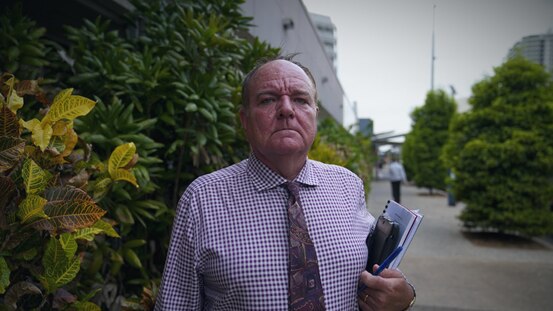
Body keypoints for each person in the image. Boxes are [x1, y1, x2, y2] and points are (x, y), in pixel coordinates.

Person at [155, 56, 415, 310]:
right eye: (268, 99)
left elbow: (379, 272)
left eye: (301, 100)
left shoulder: (348, 185)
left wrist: (404, 297)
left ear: (314, 114)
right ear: (244, 120)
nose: (287, 109)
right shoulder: (202, 199)